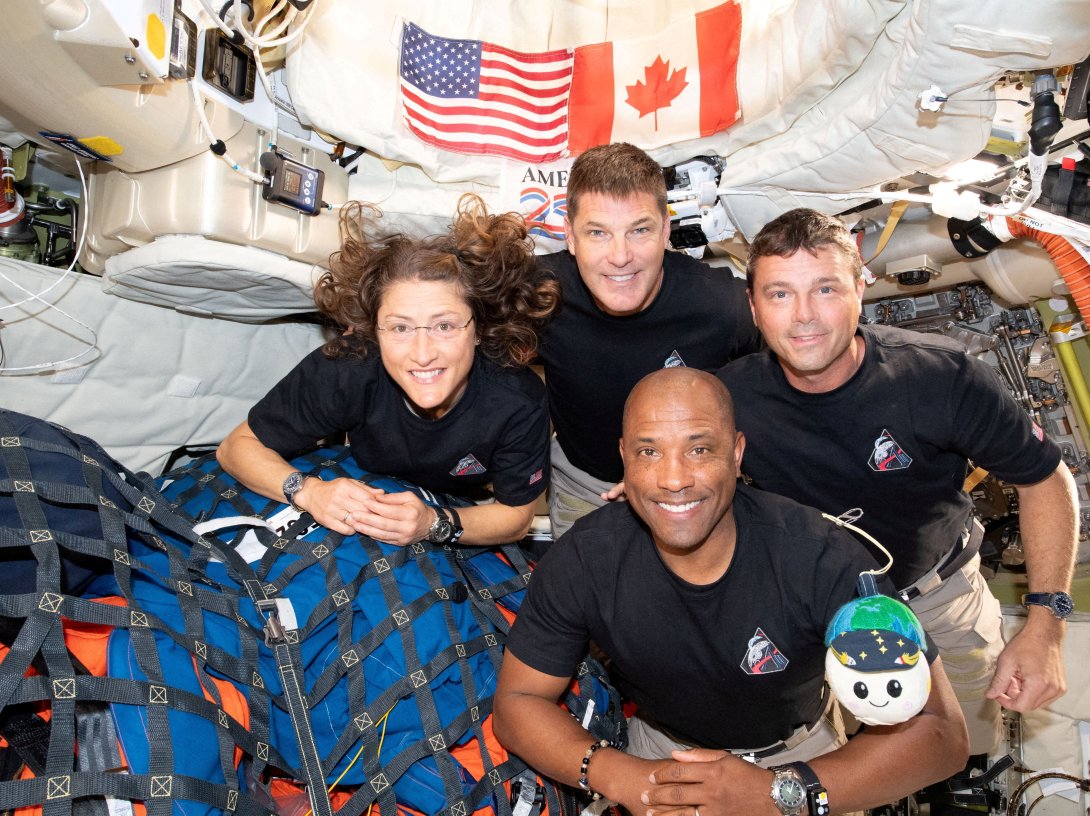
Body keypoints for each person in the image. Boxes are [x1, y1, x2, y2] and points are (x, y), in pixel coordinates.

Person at [494, 368, 968, 816]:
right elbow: (517, 702)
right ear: (624, 458)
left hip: (804, 760)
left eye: (699, 449)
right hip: (658, 757)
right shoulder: (584, 559)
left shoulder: (822, 558)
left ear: (737, 454)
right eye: (649, 452)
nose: (674, 479)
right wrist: (619, 775)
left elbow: (942, 733)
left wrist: (779, 792)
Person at [717, 208, 1077, 761]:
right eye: (780, 294)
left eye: (826, 289)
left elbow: (1045, 478)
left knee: (965, 742)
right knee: (822, 751)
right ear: (753, 306)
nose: (804, 316)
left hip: (938, 597)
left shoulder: (940, 377)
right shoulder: (725, 399)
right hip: (806, 605)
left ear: (861, 288)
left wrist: (1046, 627)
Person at [217, 194, 559, 547]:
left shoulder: (518, 399)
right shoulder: (349, 366)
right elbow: (236, 447)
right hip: (360, 487)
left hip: (459, 507)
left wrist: (434, 523)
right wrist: (308, 492)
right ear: (374, 332)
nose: (422, 354)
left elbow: (516, 517)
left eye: (444, 326)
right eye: (400, 328)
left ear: (479, 330)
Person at [536, 142, 762, 538]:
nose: (620, 256)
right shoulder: (537, 294)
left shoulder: (720, 304)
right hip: (586, 486)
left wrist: (725, 463)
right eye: (598, 233)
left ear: (665, 231)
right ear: (570, 236)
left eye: (639, 230)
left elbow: (785, 379)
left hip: (690, 487)